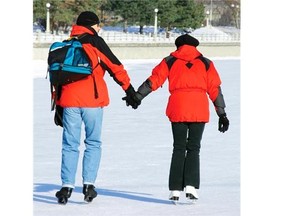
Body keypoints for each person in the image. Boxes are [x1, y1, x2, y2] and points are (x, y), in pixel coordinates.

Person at [123, 34, 230, 202]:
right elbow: (214, 88)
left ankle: (174, 189)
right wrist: (221, 113)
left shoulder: (170, 60)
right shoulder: (206, 63)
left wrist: (137, 96)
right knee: (194, 148)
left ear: (178, 46)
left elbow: (154, 80)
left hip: (178, 107)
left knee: (179, 147)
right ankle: (191, 186)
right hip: (199, 108)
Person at [54, 11, 138, 204]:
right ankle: (88, 185)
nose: (99, 28)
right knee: (92, 142)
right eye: (98, 25)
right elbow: (115, 66)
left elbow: (57, 77)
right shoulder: (95, 42)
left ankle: (67, 186)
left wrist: (58, 104)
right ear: (92, 25)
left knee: (70, 144)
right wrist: (129, 90)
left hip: (69, 102)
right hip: (92, 101)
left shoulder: (67, 43)